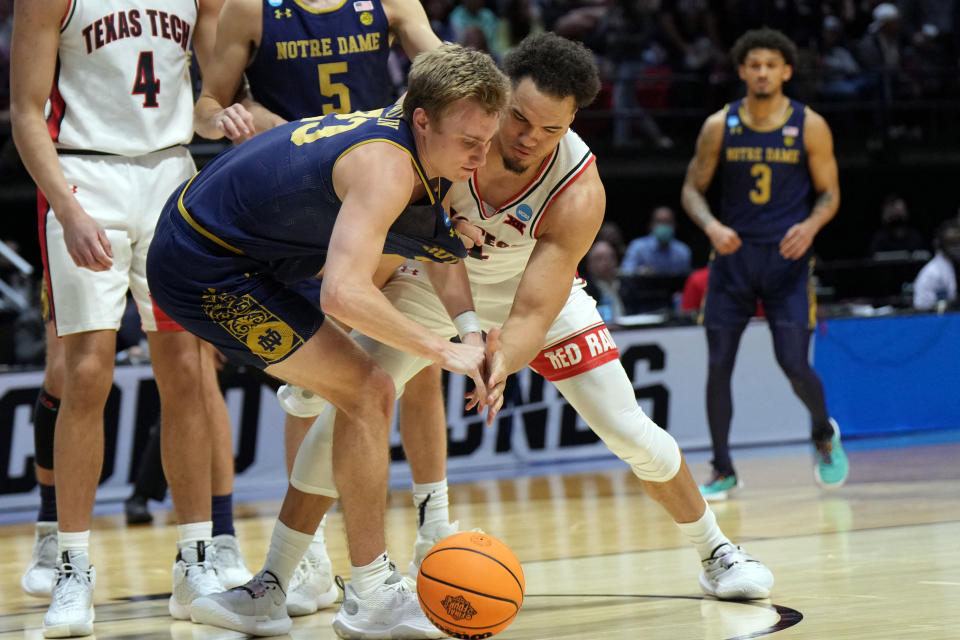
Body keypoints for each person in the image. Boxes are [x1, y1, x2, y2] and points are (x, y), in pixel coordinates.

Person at [235, 34, 773, 639]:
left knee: (631, 433)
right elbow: (385, 242)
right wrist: (344, 332)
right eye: (517, 118)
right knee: (350, 409)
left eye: (548, 129)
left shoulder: (579, 188)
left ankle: (716, 550)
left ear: (571, 123)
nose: (526, 138)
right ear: (499, 98)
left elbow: (531, 314)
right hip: (433, 283)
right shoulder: (452, 130)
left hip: (537, 301)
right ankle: (273, 582)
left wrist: (495, 364)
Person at [148, 44, 509, 639]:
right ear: (422, 118)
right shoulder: (387, 165)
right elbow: (343, 293)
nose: (481, 155)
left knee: (363, 391)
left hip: (247, 255)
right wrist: (446, 351)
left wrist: (470, 329)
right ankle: (370, 593)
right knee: (368, 391)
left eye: (487, 141)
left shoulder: (426, 148)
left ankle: (269, 590)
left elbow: (438, 246)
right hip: (200, 264)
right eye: (470, 141)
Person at [192, 0, 459, 616]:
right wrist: (225, 117)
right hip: (303, 208)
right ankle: (308, 556)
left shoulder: (390, 3)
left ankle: (433, 527)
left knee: (416, 364)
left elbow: (443, 64)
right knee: (313, 384)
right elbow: (207, 105)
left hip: (384, 188)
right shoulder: (250, 11)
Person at [10, 0, 254, 634]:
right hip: (84, 174)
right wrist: (66, 208)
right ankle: (72, 566)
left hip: (171, 173)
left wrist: (223, 113)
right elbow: (25, 116)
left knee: (187, 369)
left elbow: (213, 87)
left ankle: (196, 558)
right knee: (86, 372)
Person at [680, 27, 848, 501]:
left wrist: (811, 226)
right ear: (741, 71)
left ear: (786, 71)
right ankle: (723, 467)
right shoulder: (720, 124)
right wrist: (711, 225)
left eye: (771, 65)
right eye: (754, 65)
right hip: (732, 260)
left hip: (787, 261)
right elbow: (692, 189)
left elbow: (831, 192)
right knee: (717, 366)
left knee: (793, 363)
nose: (762, 72)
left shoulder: (808, 124)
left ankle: (821, 431)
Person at [621, 205, 693, 275]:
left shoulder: (683, 251)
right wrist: (640, 271)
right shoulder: (637, 246)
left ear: (674, 225)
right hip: (643, 286)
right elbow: (625, 272)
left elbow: (685, 277)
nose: (663, 225)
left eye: (667, 222)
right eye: (659, 221)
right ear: (651, 225)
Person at [913, 219, 960, 310]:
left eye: (958, 242)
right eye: (951, 243)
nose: (956, 247)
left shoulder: (955, 265)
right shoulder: (932, 272)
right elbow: (921, 305)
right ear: (941, 243)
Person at [583, 240, 626, 325]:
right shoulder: (584, 291)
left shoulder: (627, 285)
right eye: (599, 258)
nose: (606, 262)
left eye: (610, 257)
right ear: (589, 265)